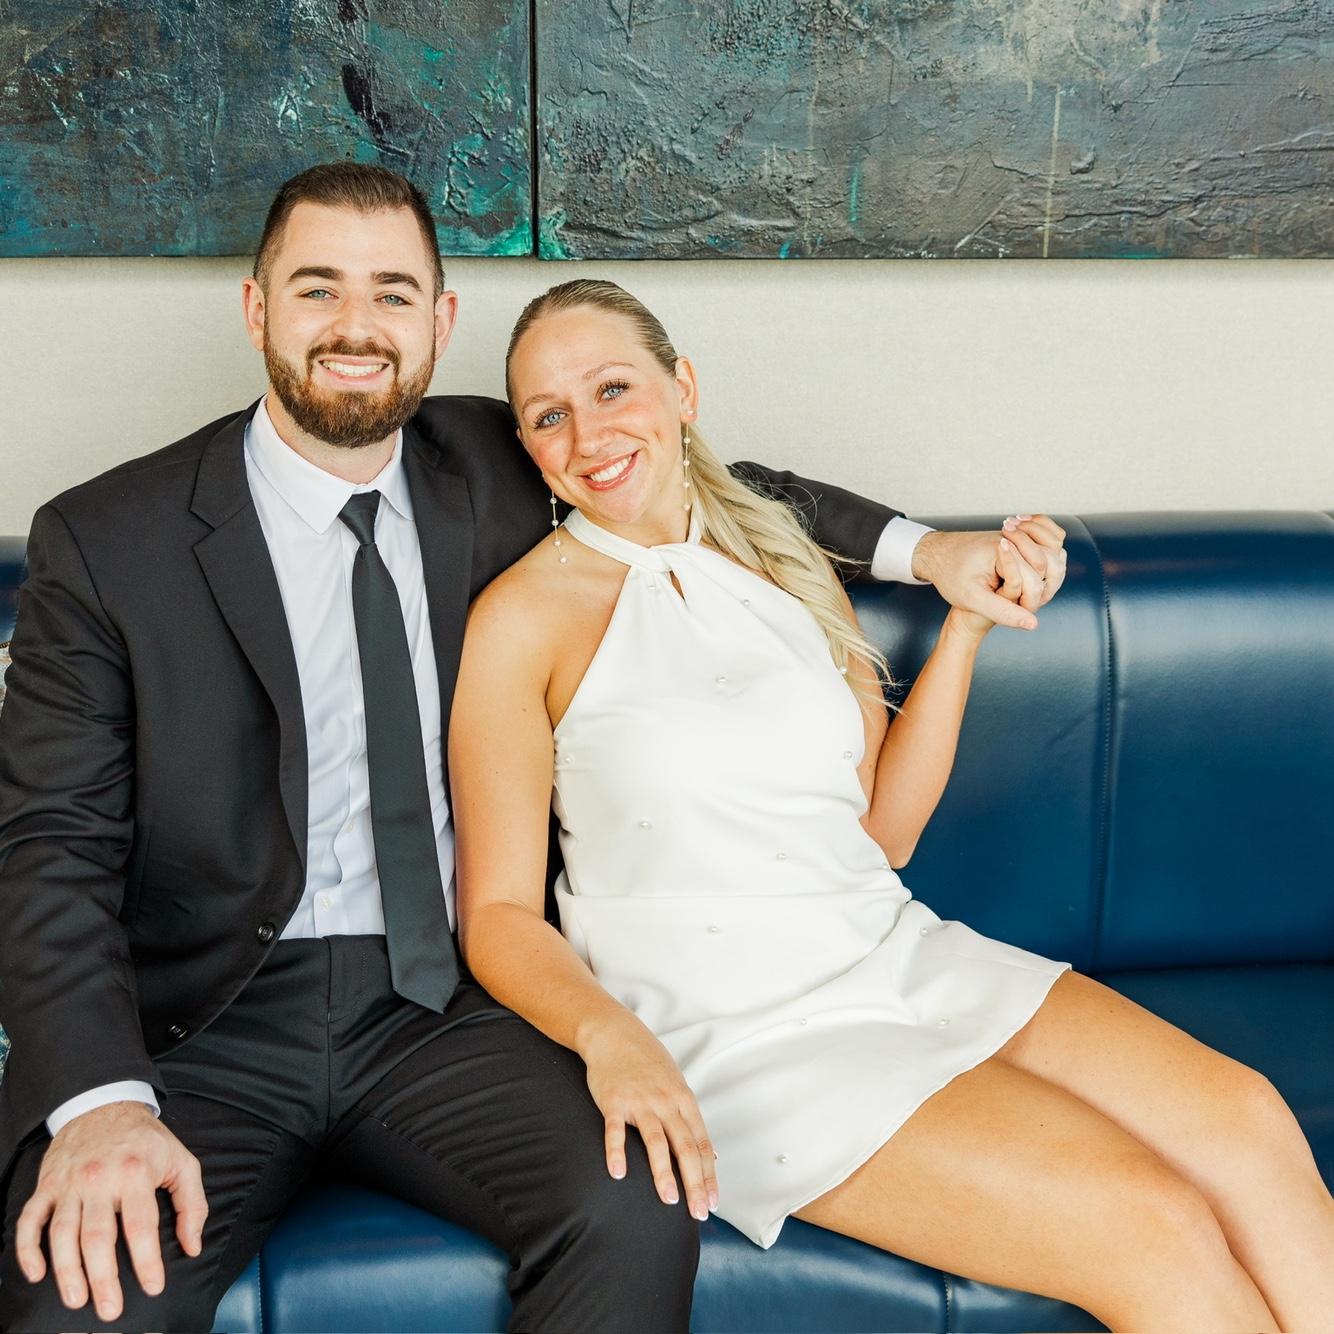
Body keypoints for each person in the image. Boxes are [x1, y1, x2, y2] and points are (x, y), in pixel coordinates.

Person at [0, 164, 1064, 1333]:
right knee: (81, 1296)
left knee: (636, 1198)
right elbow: (47, 845)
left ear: (438, 320)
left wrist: (930, 553)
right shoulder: (107, 540)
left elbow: (725, 483)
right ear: (257, 310)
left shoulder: (502, 458)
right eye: (317, 289)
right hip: (205, 1025)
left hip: (442, 998)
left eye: (392, 293)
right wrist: (98, 1100)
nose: (356, 326)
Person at [451, 278, 1334, 1332]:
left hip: (889, 950)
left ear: (682, 388)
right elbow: (496, 915)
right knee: (1150, 1220)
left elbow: (882, 832)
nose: (590, 435)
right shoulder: (519, 620)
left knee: (1245, 1121)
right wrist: (610, 1038)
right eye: (549, 414)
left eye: (612, 388)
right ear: (527, 444)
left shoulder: (779, 555)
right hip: (735, 1029)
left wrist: (961, 630)